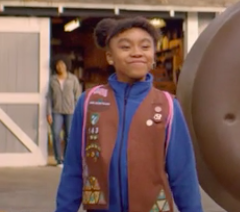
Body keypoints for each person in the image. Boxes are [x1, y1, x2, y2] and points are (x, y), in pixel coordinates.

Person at [54, 17, 203, 212]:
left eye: (145, 47)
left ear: (153, 55)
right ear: (109, 57)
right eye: (125, 47)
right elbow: (74, 168)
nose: (137, 53)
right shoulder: (89, 101)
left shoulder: (167, 105)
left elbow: (183, 174)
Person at [47, 55, 82, 167]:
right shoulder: (52, 80)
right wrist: (48, 112)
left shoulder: (73, 79)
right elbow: (49, 97)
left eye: (62, 64)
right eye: (58, 65)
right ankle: (59, 159)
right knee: (56, 134)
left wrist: (78, 111)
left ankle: (67, 159)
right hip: (56, 111)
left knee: (69, 135)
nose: (60, 67)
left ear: (66, 66)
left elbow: (78, 95)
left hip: (70, 111)